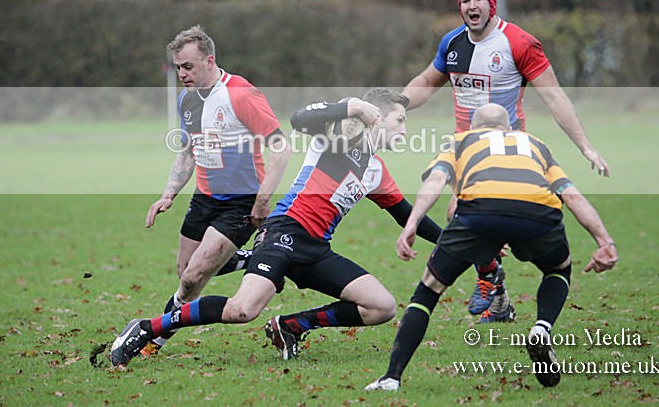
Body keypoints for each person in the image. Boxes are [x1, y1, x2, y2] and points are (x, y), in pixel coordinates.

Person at [109, 88, 448, 366]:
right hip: (283, 232)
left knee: (382, 307)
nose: (405, 129)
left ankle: (291, 326)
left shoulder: (376, 171)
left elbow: (407, 215)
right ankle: (145, 328)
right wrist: (352, 106)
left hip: (315, 250)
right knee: (242, 310)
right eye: (400, 120)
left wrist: (454, 240)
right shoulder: (336, 139)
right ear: (377, 117)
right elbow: (300, 119)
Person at [402, 0, 610, 320]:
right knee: (464, 215)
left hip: (509, 147)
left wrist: (585, 147)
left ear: (491, 3)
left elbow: (554, 97)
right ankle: (494, 288)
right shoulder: (452, 43)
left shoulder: (519, 42)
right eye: (465, 0)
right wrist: (398, 103)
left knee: (472, 215)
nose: (471, 5)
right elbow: (427, 80)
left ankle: (492, 282)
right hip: (465, 148)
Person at [365, 103, 618, 391]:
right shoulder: (535, 144)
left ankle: (391, 378)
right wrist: (604, 241)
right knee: (557, 269)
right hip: (539, 214)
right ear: (510, 128)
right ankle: (541, 328)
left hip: (479, 213)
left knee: (427, 292)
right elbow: (570, 195)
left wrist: (412, 224)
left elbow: (437, 180)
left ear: (474, 127)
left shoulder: (460, 141)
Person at [129, 25, 292, 357]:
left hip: (242, 201)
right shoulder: (186, 100)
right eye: (178, 67)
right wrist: (168, 194)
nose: (182, 74)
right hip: (204, 198)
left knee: (192, 278)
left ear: (209, 60)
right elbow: (189, 150)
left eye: (187, 66)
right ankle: (246, 260)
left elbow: (280, 146)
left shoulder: (240, 94)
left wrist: (263, 200)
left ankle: (155, 336)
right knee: (184, 272)